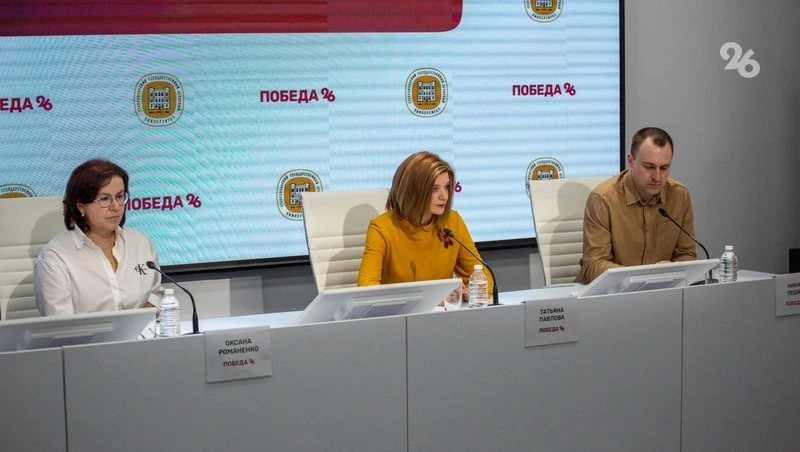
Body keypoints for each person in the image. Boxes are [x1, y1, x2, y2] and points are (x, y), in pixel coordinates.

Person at [357, 151, 493, 301]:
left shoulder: (452, 221)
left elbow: (483, 276)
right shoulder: (381, 228)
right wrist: (432, 299)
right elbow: (367, 288)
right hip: (402, 314)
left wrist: (471, 293)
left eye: (447, 187)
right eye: (435, 189)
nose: (444, 196)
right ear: (413, 191)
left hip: (444, 313)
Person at [34, 159, 161, 315]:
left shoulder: (141, 243)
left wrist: (140, 323)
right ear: (81, 206)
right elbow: (61, 325)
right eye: (104, 199)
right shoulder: (54, 259)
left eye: (120, 196)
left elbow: (155, 293)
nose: (116, 207)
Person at [576, 127, 697, 284]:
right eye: (649, 167)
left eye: (664, 168)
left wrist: (671, 269)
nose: (657, 177)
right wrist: (644, 276)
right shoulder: (603, 199)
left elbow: (686, 254)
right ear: (631, 160)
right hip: (610, 292)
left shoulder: (679, 195)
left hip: (660, 290)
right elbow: (594, 265)